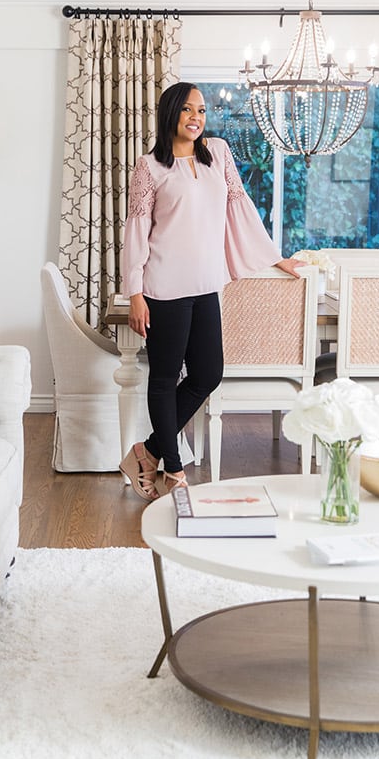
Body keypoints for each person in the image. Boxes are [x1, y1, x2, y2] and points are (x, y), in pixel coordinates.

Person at [119, 81, 305, 501]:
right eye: (187, 110)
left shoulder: (218, 153)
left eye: (201, 110)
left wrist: (276, 258)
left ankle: (145, 452)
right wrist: (134, 292)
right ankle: (174, 469)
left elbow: (240, 210)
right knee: (165, 378)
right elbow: (136, 231)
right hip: (162, 287)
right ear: (171, 114)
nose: (196, 118)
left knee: (207, 374)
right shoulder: (149, 168)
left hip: (206, 284)